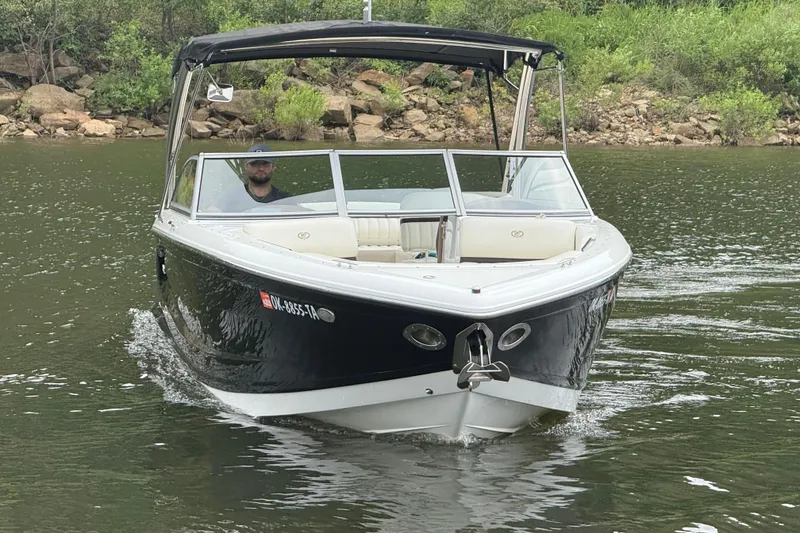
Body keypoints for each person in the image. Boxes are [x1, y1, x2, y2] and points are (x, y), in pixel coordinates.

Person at [215, 144, 292, 212]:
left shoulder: (284, 199)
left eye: (265, 164)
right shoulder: (231, 198)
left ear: (273, 166)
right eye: (255, 164)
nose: (261, 168)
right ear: (246, 166)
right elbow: (213, 212)